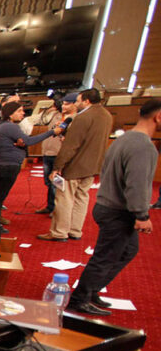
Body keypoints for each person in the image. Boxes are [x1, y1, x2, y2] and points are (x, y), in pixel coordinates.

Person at [67, 99, 159, 315]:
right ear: (158, 117)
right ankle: (79, 298)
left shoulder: (124, 138)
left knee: (127, 250)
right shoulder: (142, 146)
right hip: (119, 211)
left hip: (109, 205)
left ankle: (92, 290)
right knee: (106, 255)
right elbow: (137, 183)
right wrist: (141, 214)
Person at [38, 89, 114, 242]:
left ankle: (59, 232)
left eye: (78, 101)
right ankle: (75, 230)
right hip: (92, 166)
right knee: (81, 198)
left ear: (87, 101)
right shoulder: (106, 115)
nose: (76, 104)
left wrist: (57, 166)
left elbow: (71, 146)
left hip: (75, 165)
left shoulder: (82, 118)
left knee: (64, 199)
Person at [0, 101, 58, 230]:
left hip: (5, 164)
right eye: (20, 111)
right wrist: (52, 132)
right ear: (10, 114)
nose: (23, 113)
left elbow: (24, 141)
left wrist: (22, 143)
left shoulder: (5, 126)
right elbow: (29, 141)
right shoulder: (10, 127)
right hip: (8, 166)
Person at [34, 96, 70, 215]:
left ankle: (57, 209)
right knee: (48, 182)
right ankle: (50, 206)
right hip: (47, 152)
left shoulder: (70, 119)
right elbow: (39, 120)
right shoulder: (53, 116)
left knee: (57, 183)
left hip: (58, 153)